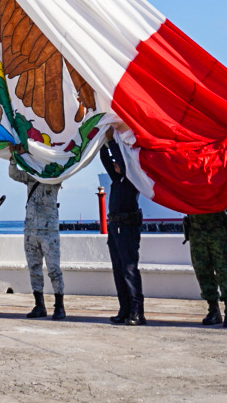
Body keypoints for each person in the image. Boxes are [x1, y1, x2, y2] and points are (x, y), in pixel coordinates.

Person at [9, 148, 65, 320]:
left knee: (54, 269)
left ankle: (59, 306)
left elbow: (67, 169)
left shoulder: (55, 177)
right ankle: (39, 305)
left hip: (49, 231)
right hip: (31, 230)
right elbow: (14, 174)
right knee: (34, 268)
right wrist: (13, 157)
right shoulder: (31, 177)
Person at [100, 138, 146, 325]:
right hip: (115, 229)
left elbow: (121, 159)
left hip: (128, 228)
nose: (114, 164)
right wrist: (102, 142)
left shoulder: (131, 177)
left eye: (117, 162)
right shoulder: (117, 179)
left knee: (129, 269)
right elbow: (105, 159)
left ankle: (137, 312)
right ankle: (124, 309)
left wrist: (111, 140)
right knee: (118, 270)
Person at [183, 211, 227, 327]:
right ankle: (213, 309)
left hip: (218, 228)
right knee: (202, 271)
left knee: (224, 271)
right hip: (196, 230)